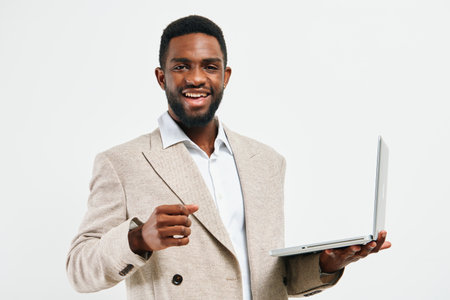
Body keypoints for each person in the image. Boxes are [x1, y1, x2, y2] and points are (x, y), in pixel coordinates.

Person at [66, 15, 391, 300]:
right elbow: (79, 270)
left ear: (226, 76)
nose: (196, 78)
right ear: (161, 77)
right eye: (181, 66)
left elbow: (272, 278)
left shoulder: (266, 161)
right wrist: (138, 239)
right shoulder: (122, 163)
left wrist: (327, 263)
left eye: (210, 66)